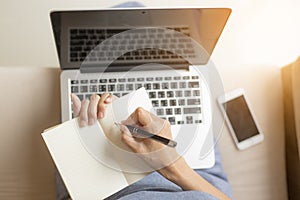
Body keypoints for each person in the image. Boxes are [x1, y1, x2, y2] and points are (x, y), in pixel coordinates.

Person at [55, 93, 232, 200]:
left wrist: (81, 148)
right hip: (198, 177)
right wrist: (173, 164)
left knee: (88, 112)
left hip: (105, 183)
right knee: (189, 94)